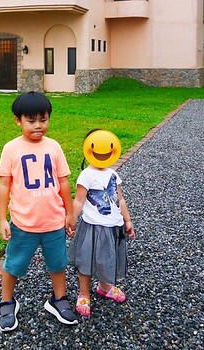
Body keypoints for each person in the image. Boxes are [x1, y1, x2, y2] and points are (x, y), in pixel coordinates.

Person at [0, 91, 78, 331]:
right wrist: (3, 218)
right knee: (13, 265)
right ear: (18, 121)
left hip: (53, 222)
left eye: (43, 119)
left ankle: (59, 299)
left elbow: (63, 182)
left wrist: (69, 212)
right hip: (23, 223)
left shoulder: (54, 147)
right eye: (31, 120)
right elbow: (3, 185)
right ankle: (7, 301)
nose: (38, 125)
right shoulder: (11, 148)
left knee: (58, 263)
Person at [67, 129, 136, 317]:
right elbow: (79, 200)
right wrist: (72, 219)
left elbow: (120, 200)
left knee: (108, 259)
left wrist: (127, 220)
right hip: (92, 226)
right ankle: (83, 294)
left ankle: (105, 287)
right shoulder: (86, 175)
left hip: (113, 226)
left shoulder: (113, 175)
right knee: (86, 260)